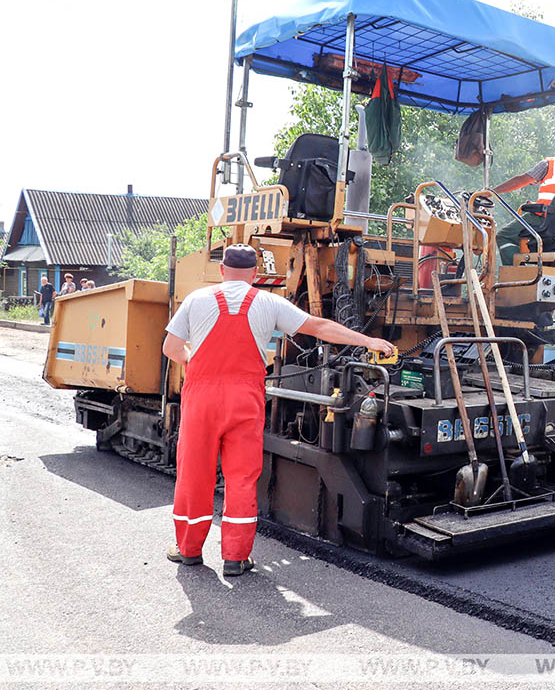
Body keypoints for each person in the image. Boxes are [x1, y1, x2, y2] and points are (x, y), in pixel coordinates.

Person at [161, 244, 396, 576]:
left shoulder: (197, 300)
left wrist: (194, 363)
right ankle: (235, 557)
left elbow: (171, 348)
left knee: (193, 474)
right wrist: (367, 341)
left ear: (222, 270)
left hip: (202, 398)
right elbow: (319, 327)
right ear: (255, 275)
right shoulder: (268, 302)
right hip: (245, 399)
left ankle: (188, 550)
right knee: (242, 477)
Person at [492, 149, 555, 265]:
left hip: (545, 221)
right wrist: (539, 205)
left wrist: (491, 192)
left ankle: (516, 276)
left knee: (504, 236)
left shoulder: (551, 163)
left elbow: (521, 180)